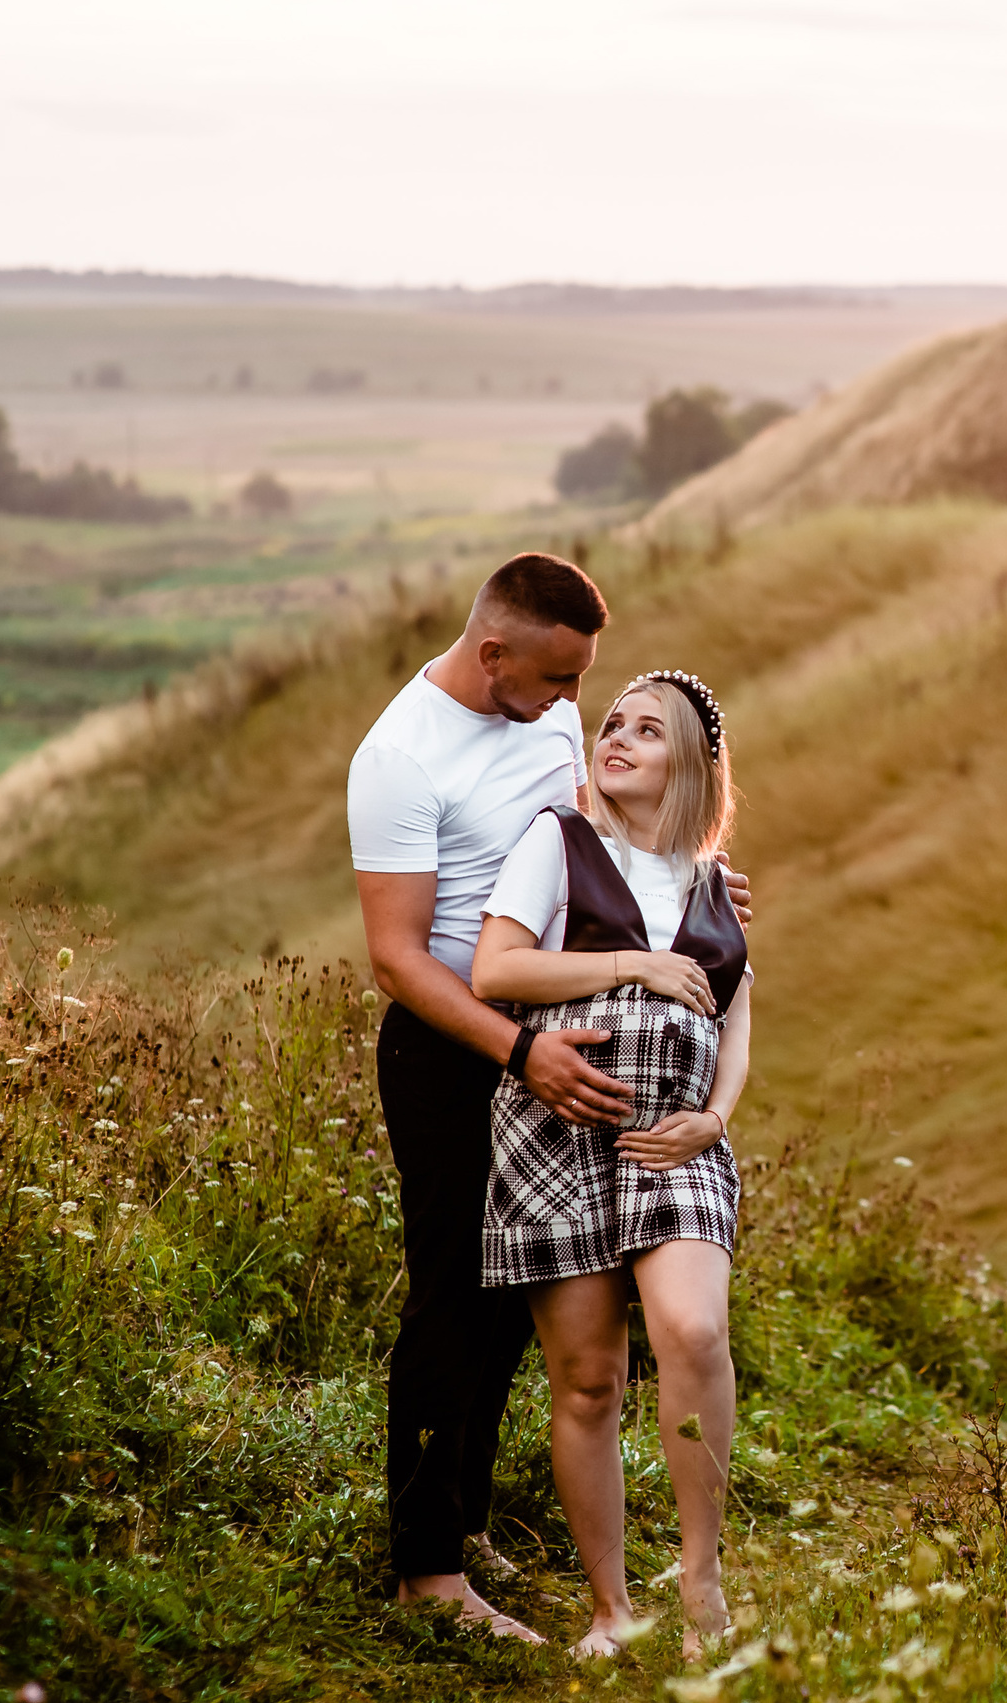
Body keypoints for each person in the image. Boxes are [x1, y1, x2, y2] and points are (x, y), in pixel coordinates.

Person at [347, 555, 750, 1641]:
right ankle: (426, 1572)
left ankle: (464, 1514)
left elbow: (593, 842)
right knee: (449, 1294)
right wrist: (518, 1051)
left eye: (585, 683)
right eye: (559, 681)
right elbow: (397, 959)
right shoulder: (398, 758)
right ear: (494, 656)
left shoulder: (550, 717)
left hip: (554, 1038)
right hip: (450, 1046)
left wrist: (690, 888)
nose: (573, 708)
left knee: (517, 1296)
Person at [471, 669, 750, 1662]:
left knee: (691, 1324)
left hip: (672, 1135)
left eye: (648, 730)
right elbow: (496, 970)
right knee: (588, 1377)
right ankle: (610, 1607)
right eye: (612, 724)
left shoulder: (720, 887)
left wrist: (712, 1120)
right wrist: (629, 964)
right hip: (560, 1128)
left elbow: (737, 1026)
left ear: (691, 765)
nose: (618, 738)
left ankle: (703, 1580)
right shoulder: (558, 842)